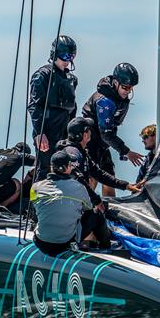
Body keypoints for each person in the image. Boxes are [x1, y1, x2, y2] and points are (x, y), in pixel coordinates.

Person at [81, 63, 144, 197]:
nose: (127, 91)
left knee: (110, 178)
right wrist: (126, 151)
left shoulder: (119, 97)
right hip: (91, 141)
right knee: (93, 177)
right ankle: (84, 212)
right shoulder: (105, 101)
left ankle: (109, 212)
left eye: (131, 88)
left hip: (103, 143)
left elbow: (111, 130)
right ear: (115, 82)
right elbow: (106, 134)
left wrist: (119, 149)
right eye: (125, 87)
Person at [56, 117, 140, 210]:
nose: (91, 132)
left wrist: (126, 185)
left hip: (73, 204)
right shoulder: (73, 154)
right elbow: (78, 181)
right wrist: (96, 200)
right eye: (89, 130)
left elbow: (99, 174)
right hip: (68, 208)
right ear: (84, 135)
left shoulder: (80, 151)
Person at [28, 35, 78, 181]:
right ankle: (36, 203)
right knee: (45, 169)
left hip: (64, 131)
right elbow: (34, 105)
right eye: (64, 55)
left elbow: (72, 108)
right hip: (47, 131)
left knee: (67, 170)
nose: (67, 60)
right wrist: (40, 132)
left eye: (71, 56)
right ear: (55, 54)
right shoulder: (43, 75)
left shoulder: (71, 80)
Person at [30, 150, 95, 256]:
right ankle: (105, 247)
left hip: (41, 242)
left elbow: (34, 208)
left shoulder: (35, 186)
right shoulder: (79, 187)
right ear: (67, 167)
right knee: (95, 214)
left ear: (51, 167)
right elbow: (88, 208)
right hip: (64, 244)